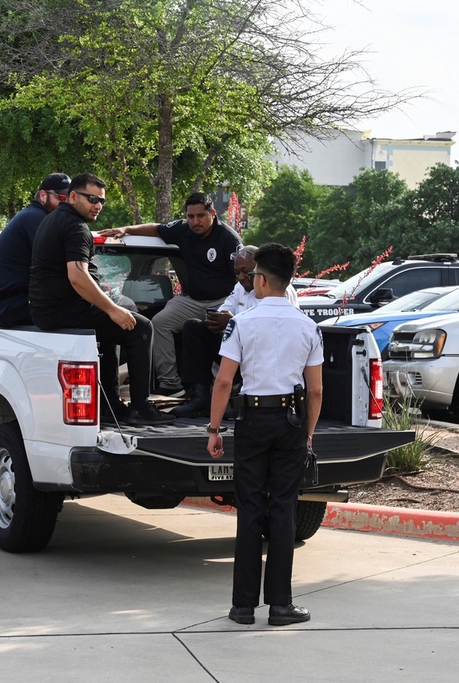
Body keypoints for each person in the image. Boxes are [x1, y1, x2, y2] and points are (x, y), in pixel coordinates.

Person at [206, 243, 323, 627]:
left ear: (261, 280)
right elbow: (316, 390)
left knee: (250, 509)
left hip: (252, 420)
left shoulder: (242, 323)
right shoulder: (308, 326)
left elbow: (225, 381)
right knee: (284, 510)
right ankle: (280, 606)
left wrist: (214, 429)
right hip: (291, 422)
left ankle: (242, 607)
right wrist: (308, 435)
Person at [29, 172, 174, 426]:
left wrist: (111, 309)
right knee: (141, 328)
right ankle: (140, 407)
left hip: (48, 310)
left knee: (112, 328)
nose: (98, 206)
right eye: (92, 199)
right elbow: (77, 276)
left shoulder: (52, 220)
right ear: (73, 197)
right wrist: (112, 310)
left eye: (102, 201)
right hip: (62, 309)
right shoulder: (76, 227)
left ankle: (109, 405)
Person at [100, 193, 241, 396]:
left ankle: (221, 388)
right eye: (191, 216)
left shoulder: (229, 238)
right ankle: (170, 383)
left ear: (212, 213)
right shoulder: (182, 229)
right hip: (191, 300)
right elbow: (156, 228)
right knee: (159, 322)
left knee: (225, 332)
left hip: (223, 300)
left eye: (201, 216)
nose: (195, 221)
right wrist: (126, 229)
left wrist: (233, 312)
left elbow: (241, 277)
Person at [172, 245, 299, 418]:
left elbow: (272, 330)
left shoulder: (279, 292)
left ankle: (242, 398)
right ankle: (200, 397)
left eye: (246, 272)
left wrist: (233, 322)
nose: (240, 277)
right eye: (237, 273)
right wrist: (216, 320)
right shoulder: (240, 287)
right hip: (241, 347)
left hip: (267, 354)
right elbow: (226, 309)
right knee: (194, 327)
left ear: (260, 270)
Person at [0, 173, 71, 327]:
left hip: (13, 304)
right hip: (7, 307)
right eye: (62, 198)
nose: (67, 204)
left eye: (71, 199)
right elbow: (60, 266)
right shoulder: (36, 218)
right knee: (83, 312)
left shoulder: (38, 217)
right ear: (43, 196)